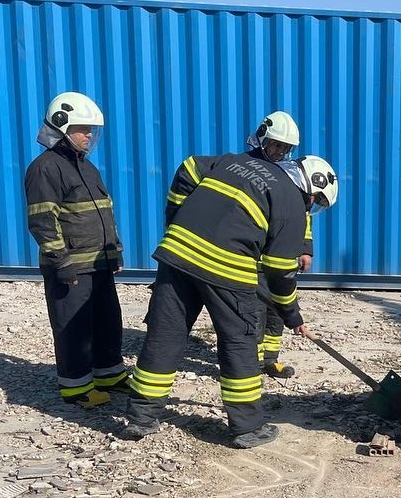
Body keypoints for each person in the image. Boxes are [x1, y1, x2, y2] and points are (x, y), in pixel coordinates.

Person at [121, 121, 339, 448]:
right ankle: (247, 427)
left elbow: (189, 167)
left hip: (178, 256)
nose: (312, 207)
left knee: (165, 335)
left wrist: (177, 219)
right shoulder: (292, 202)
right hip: (227, 271)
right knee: (239, 343)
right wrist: (292, 316)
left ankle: (140, 417)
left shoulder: (236, 161)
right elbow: (280, 271)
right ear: (310, 188)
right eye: (317, 201)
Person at [24, 91, 127, 408]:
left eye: (91, 129)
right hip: (71, 267)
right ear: (60, 126)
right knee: (74, 327)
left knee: (107, 321)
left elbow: (103, 213)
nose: (89, 135)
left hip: (98, 263)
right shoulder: (46, 168)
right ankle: (76, 386)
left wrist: (115, 251)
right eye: (83, 128)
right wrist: (62, 262)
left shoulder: (87, 167)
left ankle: (109, 374)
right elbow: (42, 221)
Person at [247, 111, 310, 380]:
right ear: (262, 138)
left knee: (276, 308)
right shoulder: (243, 168)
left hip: (279, 256)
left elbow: (302, 216)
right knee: (255, 312)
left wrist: (305, 247)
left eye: (285, 148)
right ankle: (251, 361)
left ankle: (270, 360)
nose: (279, 152)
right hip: (253, 258)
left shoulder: (289, 175)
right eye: (276, 145)